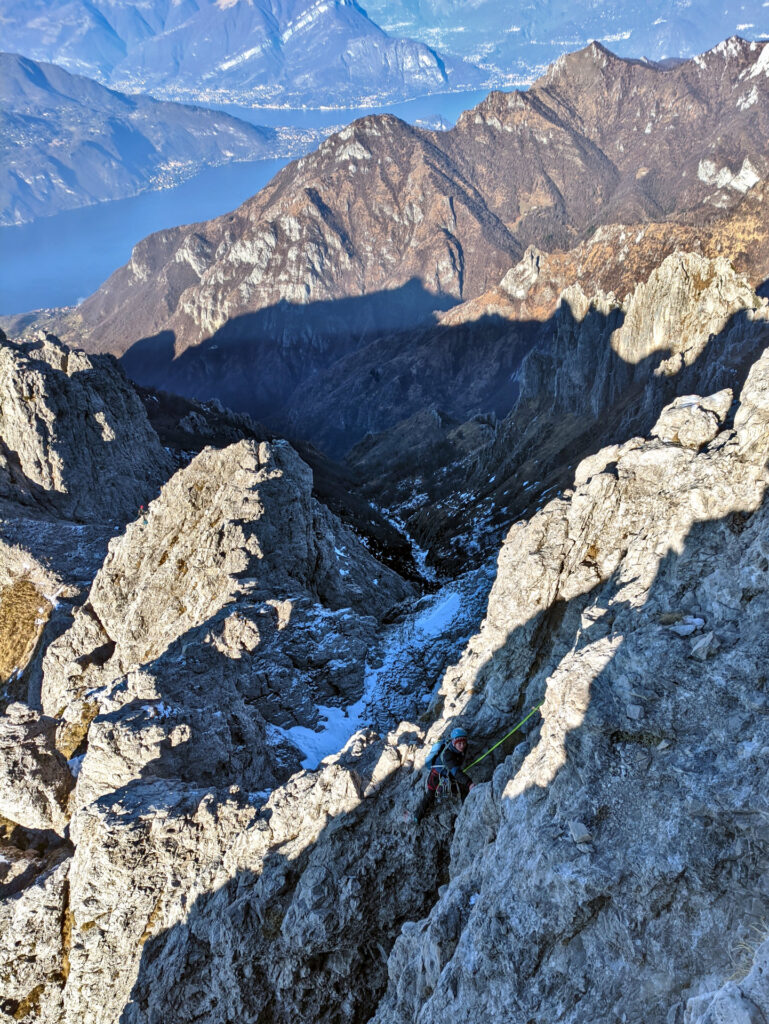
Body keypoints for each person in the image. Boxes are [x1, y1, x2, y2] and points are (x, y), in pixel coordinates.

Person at [413, 727, 473, 823]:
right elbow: (456, 771)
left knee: (462, 788)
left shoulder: (458, 748)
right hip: (436, 777)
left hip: (447, 775)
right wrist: (469, 783)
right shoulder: (447, 755)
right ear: (454, 743)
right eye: (459, 743)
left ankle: (467, 810)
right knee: (430, 796)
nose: (462, 746)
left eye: (464, 743)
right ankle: (417, 816)